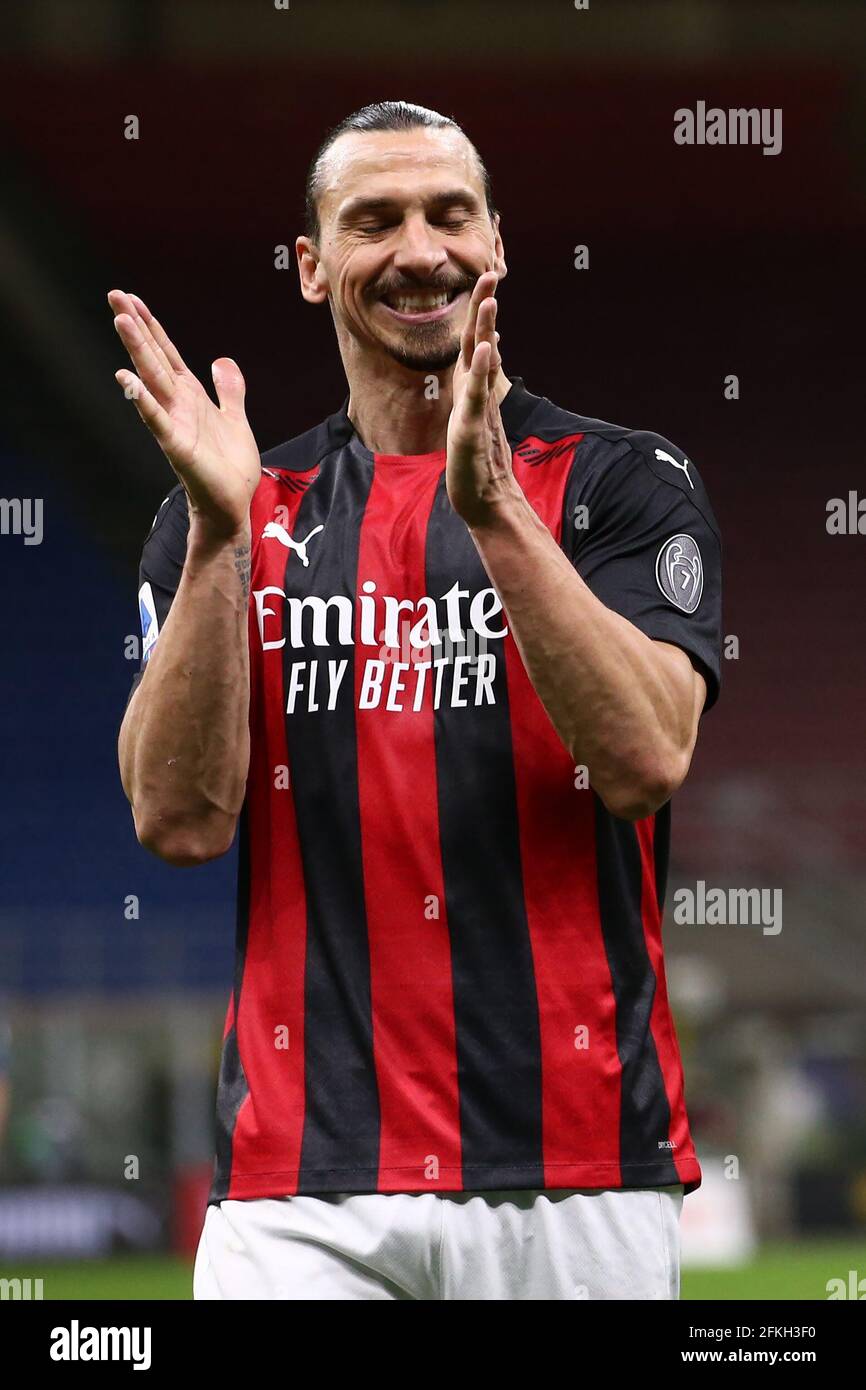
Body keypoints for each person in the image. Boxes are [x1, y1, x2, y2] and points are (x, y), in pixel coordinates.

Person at [113, 101, 722, 1301]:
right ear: (309, 266)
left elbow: (647, 755)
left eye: (449, 214)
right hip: (300, 1189)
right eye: (371, 220)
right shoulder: (233, 510)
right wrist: (218, 539)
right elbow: (180, 822)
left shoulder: (618, 484)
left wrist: (493, 513)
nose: (418, 250)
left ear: (495, 245)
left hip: (574, 1175)